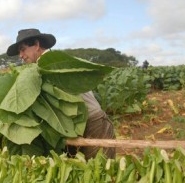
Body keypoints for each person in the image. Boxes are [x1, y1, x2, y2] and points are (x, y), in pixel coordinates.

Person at [7, 28, 115, 159]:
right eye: (19, 51)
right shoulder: (38, 69)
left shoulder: (51, 64)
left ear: (36, 45)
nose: (21, 55)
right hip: (76, 126)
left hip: (93, 122)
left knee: (101, 169)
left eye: (23, 49)